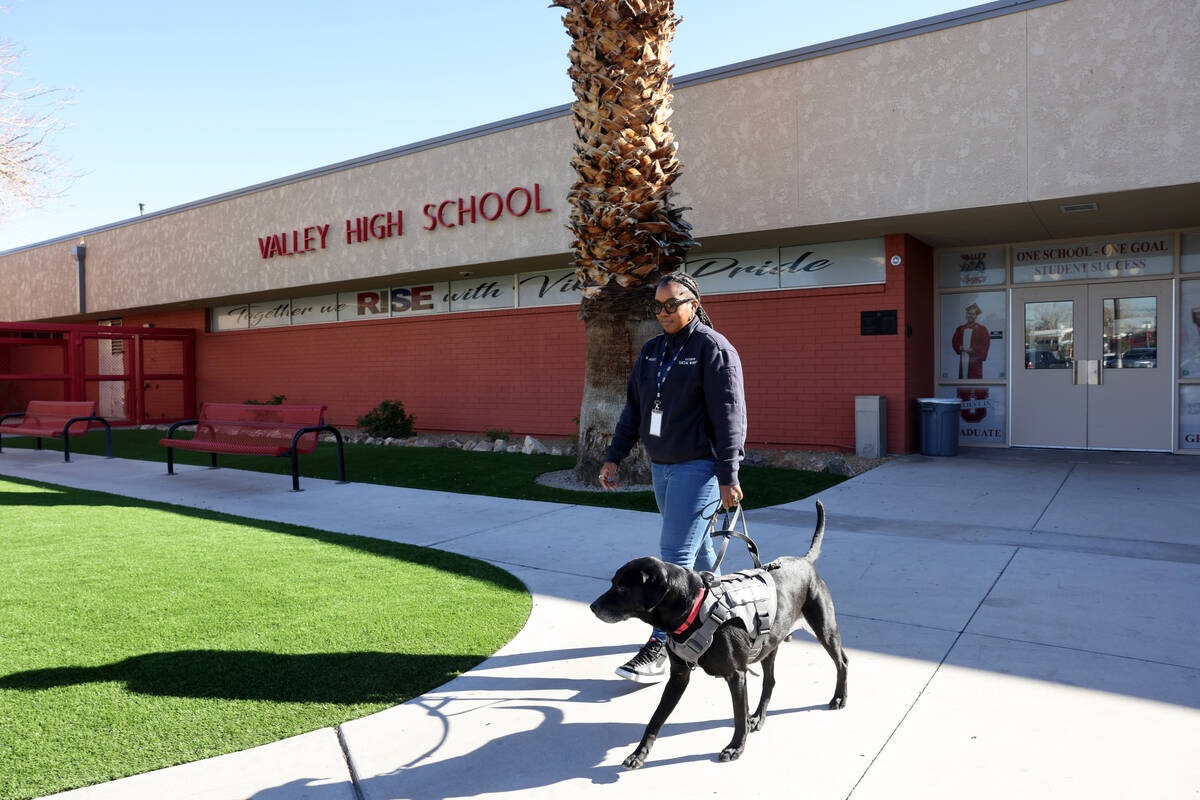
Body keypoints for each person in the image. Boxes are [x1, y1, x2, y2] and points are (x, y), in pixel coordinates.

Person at [598, 271, 747, 683]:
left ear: (693, 304)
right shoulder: (652, 352)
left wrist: (728, 472)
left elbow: (730, 414)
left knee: (673, 559)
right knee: (698, 558)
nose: (664, 312)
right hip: (661, 467)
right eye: (658, 305)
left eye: (672, 303)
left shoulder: (713, 349)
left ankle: (660, 649)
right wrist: (615, 457)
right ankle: (729, 616)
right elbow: (633, 410)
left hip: (698, 468)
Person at [952, 302, 990, 379]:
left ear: (976, 316)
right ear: (966, 315)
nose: (970, 316)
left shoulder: (982, 329)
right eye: (969, 313)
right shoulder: (960, 329)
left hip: (975, 361)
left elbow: (985, 344)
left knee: (974, 378)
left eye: (973, 314)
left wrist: (974, 350)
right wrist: (960, 347)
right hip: (963, 358)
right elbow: (954, 341)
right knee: (963, 377)